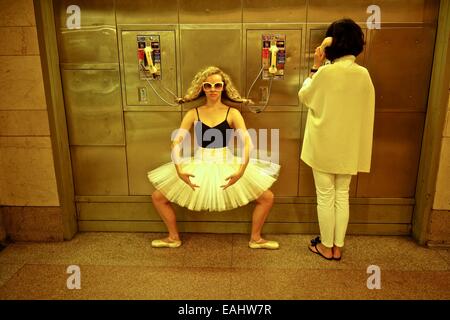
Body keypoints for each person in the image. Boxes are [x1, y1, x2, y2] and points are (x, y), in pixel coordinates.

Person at [148, 66, 281, 249]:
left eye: (217, 85)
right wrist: (179, 170)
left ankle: (256, 239)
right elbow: (176, 142)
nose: (213, 89)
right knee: (158, 197)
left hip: (226, 162)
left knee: (267, 197)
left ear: (223, 87)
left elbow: (247, 142)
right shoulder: (193, 113)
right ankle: (173, 237)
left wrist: (241, 171)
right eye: (208, 85)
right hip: (199, 163)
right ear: (202, 88)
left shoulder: (232, 113)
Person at [298, 19, 375, 261]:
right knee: (342, 195)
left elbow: (305, 96)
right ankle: (337, 247)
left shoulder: (326, 73)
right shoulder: (363, 75)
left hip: (324, 145)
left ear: (332, 42)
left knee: (325, 195)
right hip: (349, 146)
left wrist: (315, 65)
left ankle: (325, 246)